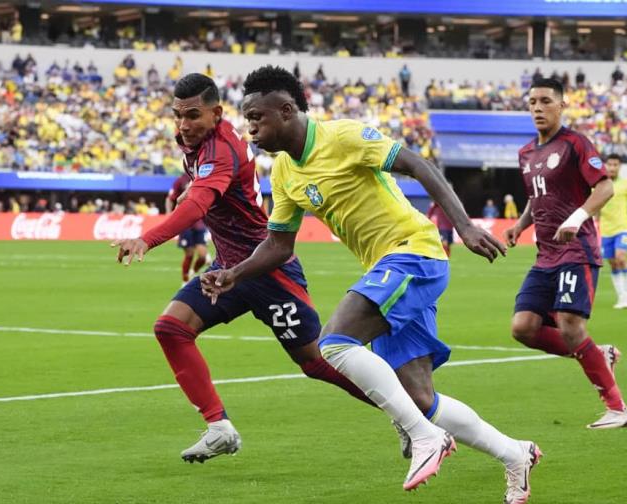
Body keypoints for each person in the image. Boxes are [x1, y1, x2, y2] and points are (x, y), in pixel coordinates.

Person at [203, 66, 541, 501]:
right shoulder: (284, 172)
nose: (249, 127)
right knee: (419, 396)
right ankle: (514, 454)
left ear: (286, 111)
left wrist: (464, 226)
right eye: (246, 118)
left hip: (413, 252)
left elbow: (418, 164)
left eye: (256, 117)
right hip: (387, 266)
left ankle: (424, 437)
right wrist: (234, 272)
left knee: (334, 343)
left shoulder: (342, 137)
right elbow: (279, 246)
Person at [110, 73, 371, 464]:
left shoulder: (221, 149)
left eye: (193, 115)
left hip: (266, 269)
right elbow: (206, 193)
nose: (183, 124)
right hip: (228, 269)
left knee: (316, 362)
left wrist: (147, 239)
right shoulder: (194, 141)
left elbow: (198, 205)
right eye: (178, 115)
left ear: (216, 113)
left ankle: (407, 413)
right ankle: (219, 428)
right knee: (172, 328)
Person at [505, 78, 627, 430]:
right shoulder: (526, 153)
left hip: (577, 251)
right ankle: (599, 354)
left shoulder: (576, 144)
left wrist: (577, 219)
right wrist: (520, 225)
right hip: (545, 255)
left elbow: (604, 186)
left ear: (561, 105)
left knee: (570, 324)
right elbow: (537, 196)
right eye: (532, 102)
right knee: (523, 327)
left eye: (545, 101)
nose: (537, 108)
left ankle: (618, 408)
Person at [598, 154, 627, 309]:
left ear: (620, 166)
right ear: (605, 165)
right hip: (606, 230)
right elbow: (594, 207)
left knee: (621, 258)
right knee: (612, 263)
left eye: (615, 164)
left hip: (622, 228)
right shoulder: (599, 185)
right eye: (610, 164)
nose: (612, 167)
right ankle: (621, 297)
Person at [165, 174, 209, 283]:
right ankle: (185, 281)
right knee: (189, 254)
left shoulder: (205, 177)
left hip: (199, 222)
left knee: (203, 256)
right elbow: (170, 198)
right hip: (185, 222)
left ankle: (192, 273)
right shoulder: (180, 180)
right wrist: (169, 213)